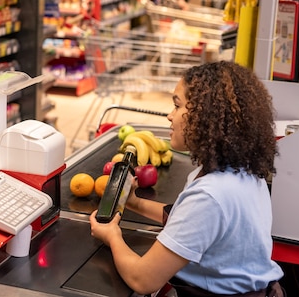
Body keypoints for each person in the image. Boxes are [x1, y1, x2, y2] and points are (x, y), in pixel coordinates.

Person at [89, 61, 284, 297]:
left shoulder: (210, 195)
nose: (170, 116)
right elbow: (190, 219)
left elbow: (143, 279)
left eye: (177, 105)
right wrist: (134, 202)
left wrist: (112, 236)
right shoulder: (242, 171)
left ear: (205, 115)